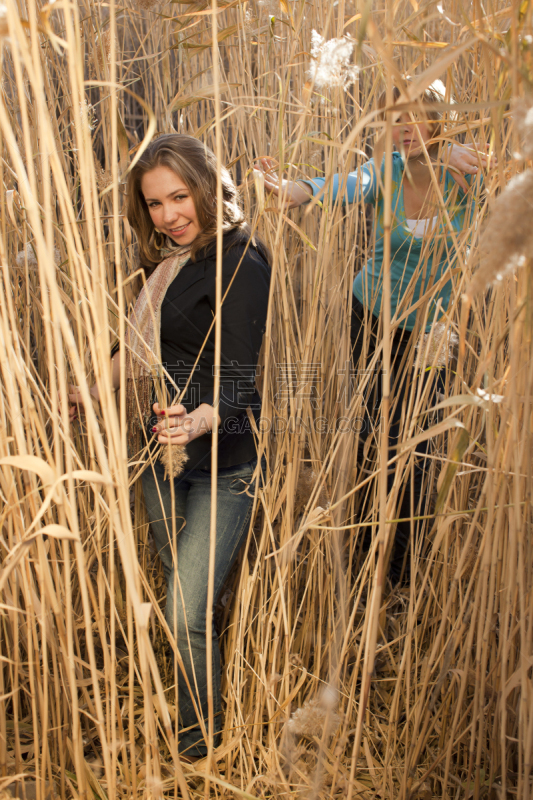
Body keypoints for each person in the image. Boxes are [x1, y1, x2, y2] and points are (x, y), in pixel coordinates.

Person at [69, 134, 271, 758]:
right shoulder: (164, 266)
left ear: (209, 188)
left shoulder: (244, 257)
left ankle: (198, 745)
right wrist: (85, 392)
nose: (168, 215)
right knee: (184, 599)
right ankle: (199, 709)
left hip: (224, 458)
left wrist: (201, 420)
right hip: (158, 455)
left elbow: (240, 374)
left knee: (186, 607)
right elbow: (132, 343)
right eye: (154, 203)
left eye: (180, 197)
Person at [258, 83, 488, 583]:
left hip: (431, 332)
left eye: (415, 117)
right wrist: (292, 191)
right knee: (373, 437)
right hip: (372, 318)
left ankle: (401, 568)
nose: (403, 128)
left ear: (437, 120)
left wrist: (452, 153)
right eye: (393, 119)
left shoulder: (467, 177)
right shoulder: (383, 173)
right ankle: (366, 552)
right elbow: (342, 184)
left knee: (418, 446)